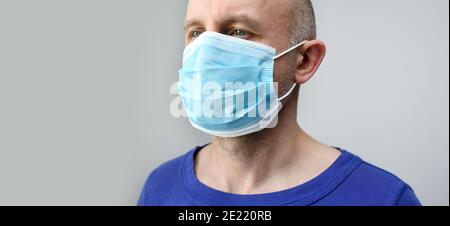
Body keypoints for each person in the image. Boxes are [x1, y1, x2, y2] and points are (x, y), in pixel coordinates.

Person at [138, 0, 421, 206]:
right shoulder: (160, 187)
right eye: (196, 33)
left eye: (238, 32)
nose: (206, 55)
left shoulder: (381, 198)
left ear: (305, 61)